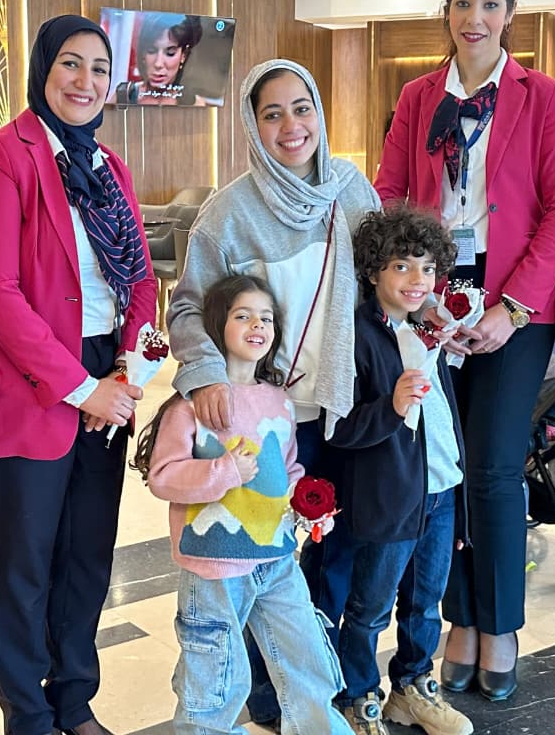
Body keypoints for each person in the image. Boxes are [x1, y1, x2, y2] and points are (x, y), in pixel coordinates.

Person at [374, 0, 555, 701]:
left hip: (513, 306)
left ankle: (500, 626)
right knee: (444, 470)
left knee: (493, 468)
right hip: (432, 300)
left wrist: (512, 307)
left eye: (490, 4)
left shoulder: (542, 96)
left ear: (510, 14)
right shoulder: (417, 96)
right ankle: (458, 619)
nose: (475, 18)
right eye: (462, 3)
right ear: (447, 12)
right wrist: (419, 296)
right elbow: (390, 195)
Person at [0, 14, 157, 735]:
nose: (85, 81)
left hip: (108, 378)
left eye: (100, 69)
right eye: (71, 63)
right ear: (43, 69)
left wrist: (126, 372)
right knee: (23, 568)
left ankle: (74, 701)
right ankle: (29, 718)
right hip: (29, 386)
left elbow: (140, 281)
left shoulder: (110, 168)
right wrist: (81, 387)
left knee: (87, 559)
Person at [167, 58, 380, 728]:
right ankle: (262, 696)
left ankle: (325, 693)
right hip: (267, 418)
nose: (292, 125)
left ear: (320, 112)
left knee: (331, 550)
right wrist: (206, 375)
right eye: (272, 113)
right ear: (253, 126)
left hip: (345, 407)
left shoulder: (351, 190)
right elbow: (188, 307)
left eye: (302, 107)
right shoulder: (227, 214)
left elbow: (383, 282)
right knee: (258, 553)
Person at [134, 274, 352, 735]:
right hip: (214, 569)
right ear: (217, 326)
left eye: (266, 318)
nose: (258, 325)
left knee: (306, 654)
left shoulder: (279, 399)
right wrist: (224, 472)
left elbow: (286, 467)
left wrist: (305, 503)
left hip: (277, 558)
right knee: (214, 671)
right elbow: (164, 477)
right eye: (243, 315)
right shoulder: (190, 408)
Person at [329, 207, 472, 735]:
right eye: (402, 266)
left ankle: (412, 687)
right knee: (369, 606)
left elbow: (443, 419)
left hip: (441, 489)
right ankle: (359, 696)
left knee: (425, 603)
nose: (418, 280)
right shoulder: (357, 335)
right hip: (391, 497)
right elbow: (339, 428)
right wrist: (389, 407)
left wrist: (459, 501)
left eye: (428, 268)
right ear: (373, 272)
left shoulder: (427, 330)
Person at [114, 12, 203, 104]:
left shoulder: (195, 104)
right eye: (151, 51)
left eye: (170, 53)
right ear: (143, 53)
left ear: (183, 55)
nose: (158, 63)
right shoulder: (123, 96)